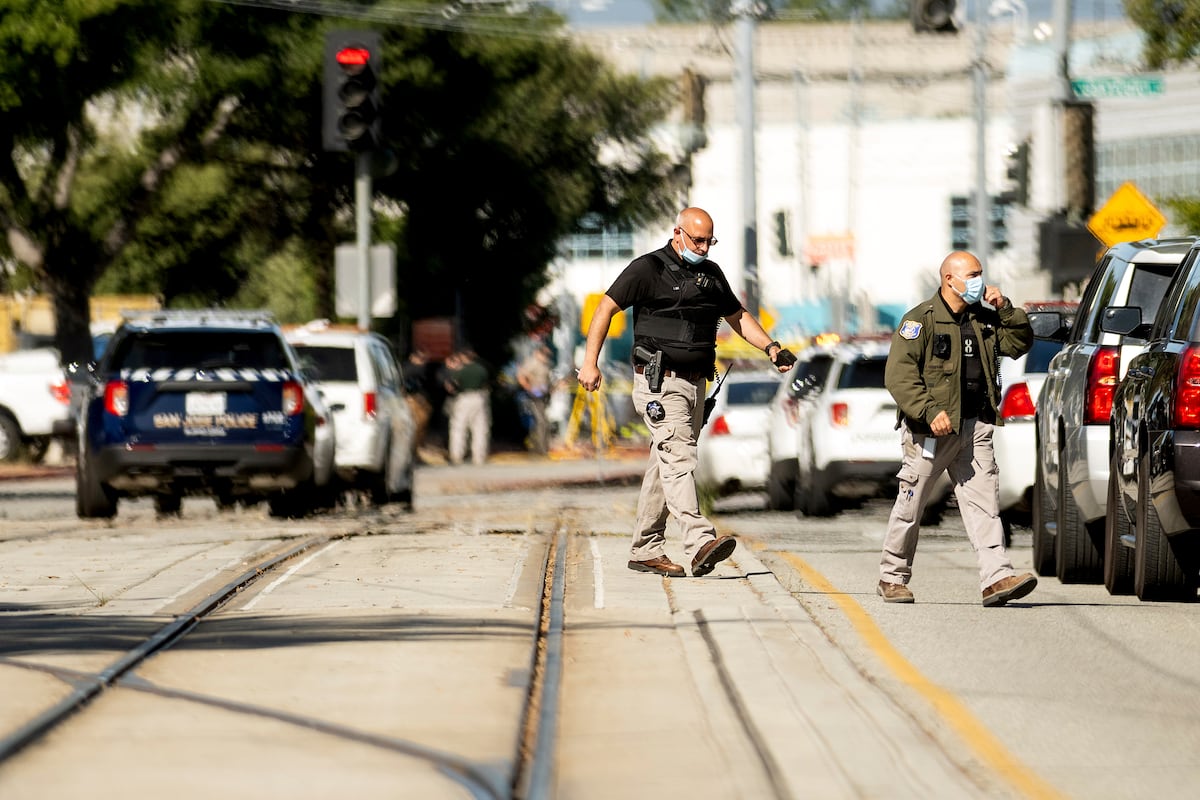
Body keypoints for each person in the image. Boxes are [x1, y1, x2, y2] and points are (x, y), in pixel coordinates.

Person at [577, 207, 796, 578]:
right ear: (677, 233)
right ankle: (698, 542)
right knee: (679, 458)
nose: (704, 247)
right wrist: (589, 362)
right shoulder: (648, 269)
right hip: (659, 383)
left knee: (664, 462)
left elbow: (737, 316)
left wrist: (772, 348)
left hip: (696, 383)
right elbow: (605, 309)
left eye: (710, 241)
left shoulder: (710, 275)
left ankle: (645, 548)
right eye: (697, 240)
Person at [877, 250, 1038, 607]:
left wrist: (1006, 309)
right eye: (973, 274)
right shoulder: (920, 320)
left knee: (985, 504)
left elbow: (1019, 343)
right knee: (912, 502)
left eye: (981, 273)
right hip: (931, 432)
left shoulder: (984, 319)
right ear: (949, 279)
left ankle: (997, 577)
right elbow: (899, 376)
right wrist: (929, 410)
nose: (979, 280)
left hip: (975, 426)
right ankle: (892, 576)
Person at [444, 348, 491, 466]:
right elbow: (485, 384)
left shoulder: (461, 370)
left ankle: (456, 455)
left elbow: (452, 386)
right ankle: (479, 457)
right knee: (479, 428)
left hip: (464, 398)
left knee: (459, 428)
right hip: (479, 398)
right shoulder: (482, 370)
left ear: (464, 357)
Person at [516, 343, 554, 454]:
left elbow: (546, 380)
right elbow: (521, 376)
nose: (546, 357)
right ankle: (539, 448)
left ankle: (542, 447)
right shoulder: (532, 363)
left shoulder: (546, 364)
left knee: (543, 422)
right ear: (538, 353)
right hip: (534, 396)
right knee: (540, 422)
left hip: (543, 396)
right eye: (544, 354)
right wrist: (529, 389)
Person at [401, 349, 433, 461]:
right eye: (422, 359)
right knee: (417, 428)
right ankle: (413, 452)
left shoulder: (404, 368)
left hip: (408, 400)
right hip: (414, 400)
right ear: (414, 358)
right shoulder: (416, 370)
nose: (423, 362)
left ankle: (411, 452)